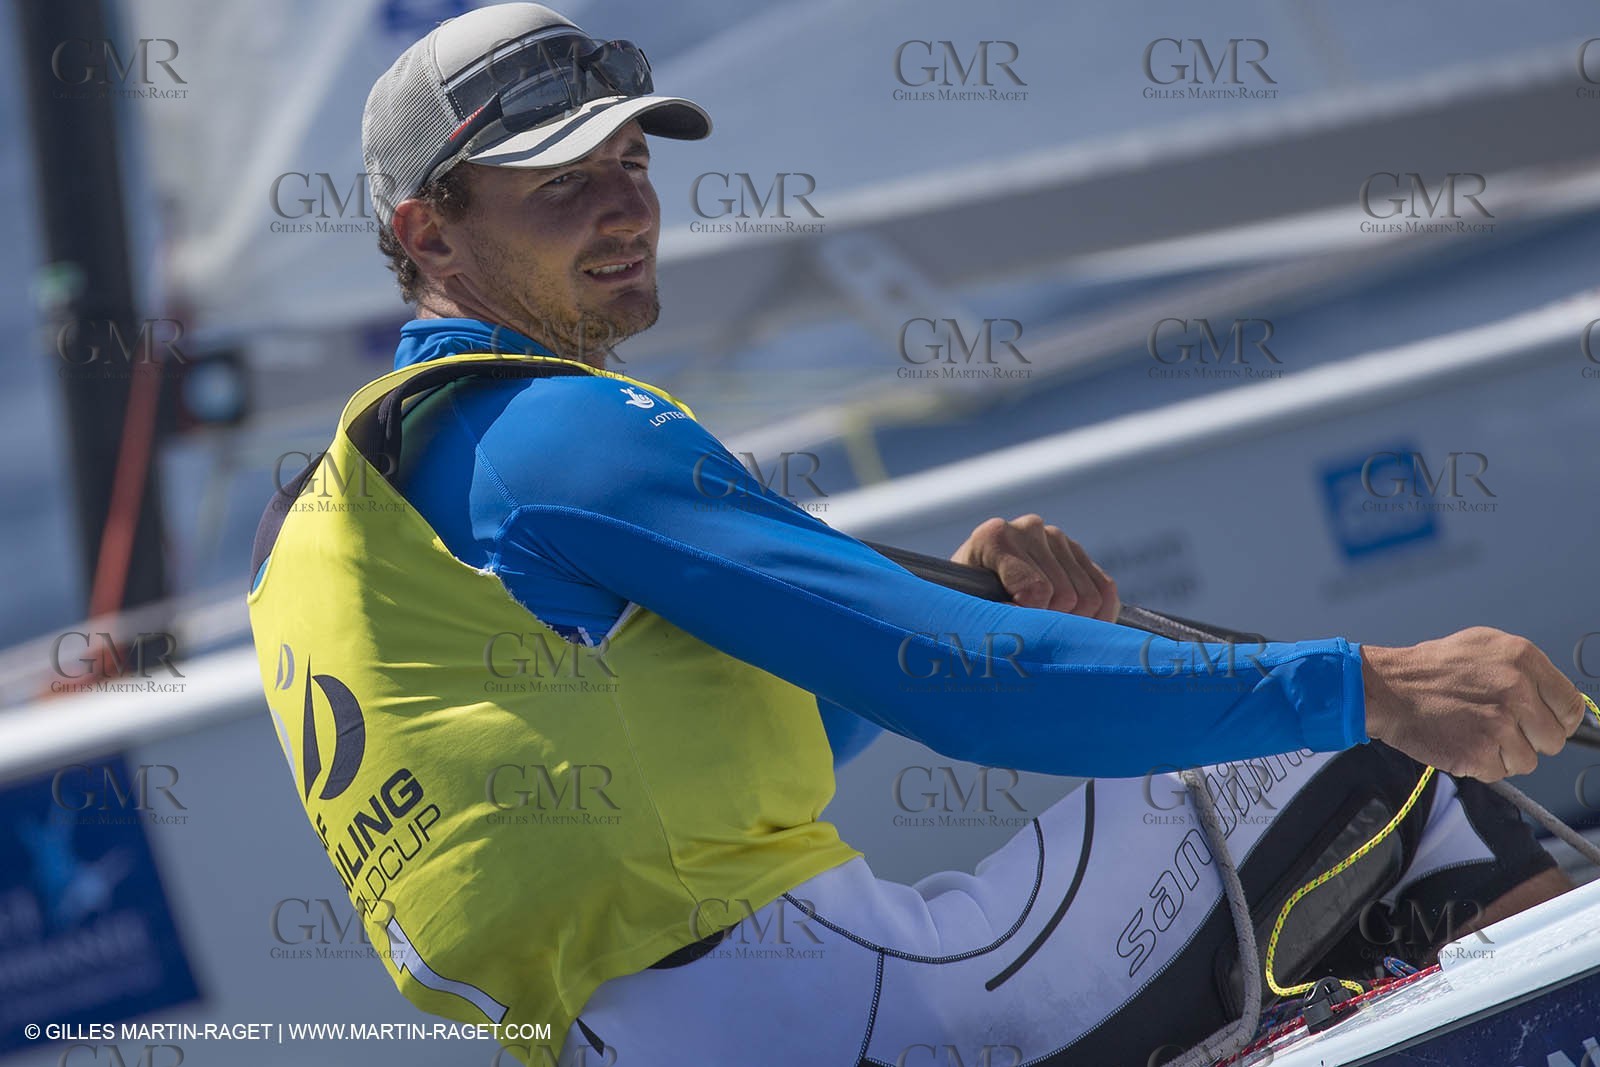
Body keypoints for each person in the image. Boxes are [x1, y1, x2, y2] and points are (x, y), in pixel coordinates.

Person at [245, 5, 1590, 1065]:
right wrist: (1377, 684)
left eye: (633, 164)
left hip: (671, 1040)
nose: (624, 208)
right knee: (1383, 756)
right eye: (559, 184)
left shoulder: (352, 518)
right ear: (426, 231)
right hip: (871, 1021)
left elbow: (745, 745)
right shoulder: (556, 436)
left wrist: (1021, 625)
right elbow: (975, 691)